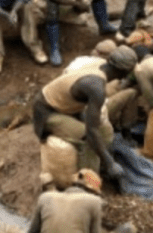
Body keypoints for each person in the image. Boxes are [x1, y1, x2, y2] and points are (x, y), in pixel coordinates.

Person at [32, 46, 138, 179]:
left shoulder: (101, 65)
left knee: (102, 132)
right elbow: (91, 132)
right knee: (87, 138)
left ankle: (99, 164)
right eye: (128, 72)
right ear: (122, 71)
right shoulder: (96, 87)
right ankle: (88, 181)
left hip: (65, 105)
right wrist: (110, 163)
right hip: (47, 112)